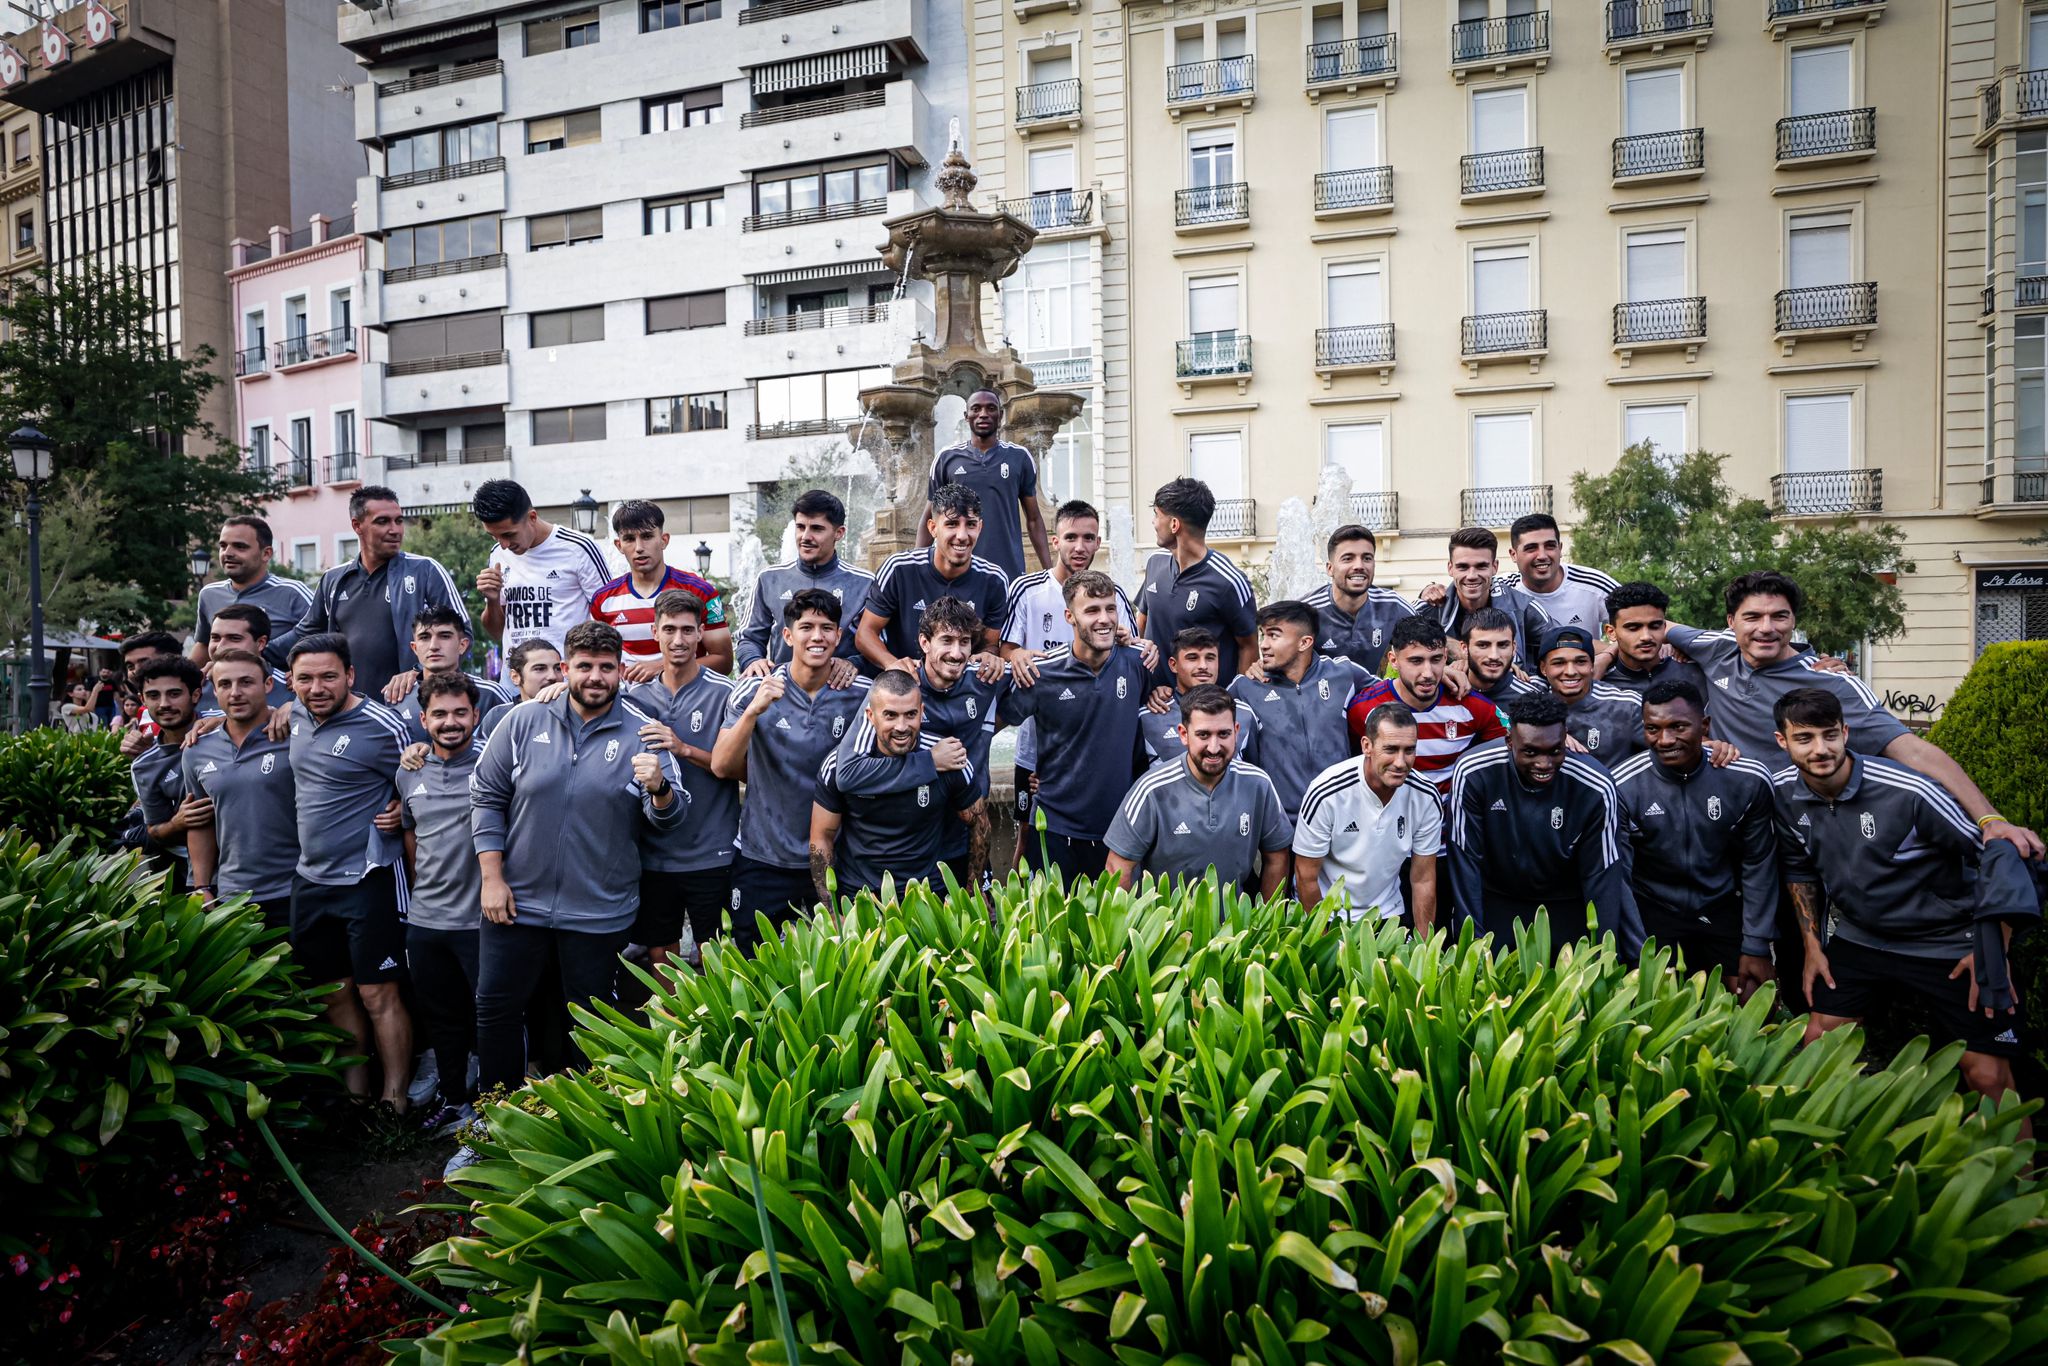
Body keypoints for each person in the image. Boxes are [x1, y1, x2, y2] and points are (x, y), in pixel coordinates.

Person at [1771, 687, 2025, 1121]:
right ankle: (1830, 1151)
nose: (1820, 749)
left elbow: (1999, 860)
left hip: (1945, 941)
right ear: (1782, 741)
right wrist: (1813, 946)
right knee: (1819, 1046)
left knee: (1986, 1076)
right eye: (1805, 738)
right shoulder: (1783, 793)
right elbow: (1799, 869)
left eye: (1830, 735)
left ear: (1846, 732)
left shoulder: (1909, 790)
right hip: (1860, 938)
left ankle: (2022, 1183)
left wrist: (1990, 951)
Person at [1668, 571, 2042, 860]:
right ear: (1731, 622)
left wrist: (1991, 819)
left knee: (1800, 944)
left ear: (1794, 620)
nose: (1766, 628)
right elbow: (1647, 627)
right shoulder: (1714, 648)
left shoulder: (1831, 682)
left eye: (1779, 616)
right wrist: (1609, 655)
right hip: (1725, 821)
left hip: (1798, 830)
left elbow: (1912, 750)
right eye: (1753, 617)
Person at [469, 621, 685, 1095]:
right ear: (565, 669)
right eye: (584, 666)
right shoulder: (523, 721)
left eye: (606, 667)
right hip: (515, 903)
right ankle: (492, 1123)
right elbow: (486, 796)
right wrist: (492, 877)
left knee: (589, 1019)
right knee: (497, 1008)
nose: (594, 677)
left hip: (597, 910)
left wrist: (660, 789)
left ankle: (586, 1127)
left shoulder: (642, 734)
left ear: (620, 672)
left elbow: (670, 819)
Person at [283, 633, 414, 1110]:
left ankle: (394, 1100)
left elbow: (426, 773)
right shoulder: (293, 715)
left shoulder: (383, 725)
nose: (317, 687)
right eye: (306, 678)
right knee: (334, 993)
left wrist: (404, 809)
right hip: (310, 879)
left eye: (328, 676)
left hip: (368, 878)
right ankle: (354, 1100)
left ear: (351, 676)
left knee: (378, 993)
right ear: (292, 682)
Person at [712, 589, 873, 942]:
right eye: (807, 627)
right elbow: (722, 766)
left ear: (839, 636)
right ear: (787, 635)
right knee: (753, 968)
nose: (818, 636)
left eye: (827, 628)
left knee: (840, 969)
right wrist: (754, 710)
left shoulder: (862, 693)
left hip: (834, 858)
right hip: (763, 857)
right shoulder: (753, 690)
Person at [1611, 681, 1778, 997]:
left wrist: (1756, 942)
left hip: (1720, 902)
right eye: (1653, 729)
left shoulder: (1747, 778)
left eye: (1678, 727)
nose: (1665, 739)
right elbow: (1619, 875)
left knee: (1753, 995)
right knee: (1654, 1001)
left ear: (1704, 726)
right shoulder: (1622, 785)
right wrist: (1635, 951)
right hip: (1655, 906)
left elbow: (1759, 862)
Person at [1446, 692, 1643, 956]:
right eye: (1530, 752)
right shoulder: (1472, 771)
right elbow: (1465, 862)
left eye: (1554, 751)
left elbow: (1602, 876)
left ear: (1565, 739)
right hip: (1499, 898)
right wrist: (1473, 947)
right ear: (1508, 741)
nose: (1543, 763)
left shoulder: (1595, 784)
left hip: (1565, 902)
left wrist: (1604, 955)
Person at [1001, 498, 1139, 845]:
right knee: (1027, 835)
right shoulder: (1027, 589)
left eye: (1089, 538)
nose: (1080, 546)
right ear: (1055, 541)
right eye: (1072, 537)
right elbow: (1006, 650)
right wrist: (1017, 656)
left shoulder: (1115, 594)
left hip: (1093, 731)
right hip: (1038, 738)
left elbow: (1134, 654)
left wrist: (1136, 641)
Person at [997, 570, 1150, 880]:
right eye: (1092, 610)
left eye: (1110, 608)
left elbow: (1169, 703)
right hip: (1055, 828)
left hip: (1118, 830)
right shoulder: (1041, 672)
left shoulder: (1139, 662)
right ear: (1069, 616)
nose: (1104, 618)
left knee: (1112, 928)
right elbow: (998, 718)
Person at [626, 591, 740, 967]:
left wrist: (683, 748)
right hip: (655, 855)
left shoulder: (725, 694)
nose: (678, 640)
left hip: (712, 849)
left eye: (688, 630)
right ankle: (670, 1028)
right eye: (670, 629)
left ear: (700, 634)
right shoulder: (635, 697)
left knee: (714, 956)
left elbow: (746, 771)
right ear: (655, 632)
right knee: (661, 957)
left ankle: (713, 1028)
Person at [394, 671, 485, 1120]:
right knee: (443, 1020)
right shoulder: (409, 770)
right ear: (423, 719)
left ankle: (497, 1108)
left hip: (483, 921)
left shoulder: (496, 763)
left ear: (476, 715)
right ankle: (454, 1102)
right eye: (440, 714)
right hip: (427, 921)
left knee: (491, 1020)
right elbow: (412, 839)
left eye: (460, 713)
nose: (451, 722)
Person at [810, 670, 985, 901]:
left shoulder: (949, 758)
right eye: (890, 715)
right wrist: (832, 909)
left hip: (927, 894)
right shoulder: (840, 765)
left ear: (922, 713)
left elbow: (980, 824)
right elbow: (822, 837)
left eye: (910, 714)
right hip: (860, 896)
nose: (901, 727)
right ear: (871, 716)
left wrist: (975, 892)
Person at [1104, 684, 1291, 896]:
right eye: (1203, 735)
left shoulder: (1259, 784)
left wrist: (1265, 923)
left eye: (1223, 734)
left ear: (1236, 732)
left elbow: (1277, 856)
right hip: (1168, 926)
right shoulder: (1151, 789)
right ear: (1183, 734)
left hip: (1237, 926)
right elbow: (1117, 868)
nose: (1214, 747)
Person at [294, 486, 471, 698]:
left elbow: (464, 635)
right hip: (350, 710)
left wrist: (417, 672)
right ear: (357, 525)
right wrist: (256, 650)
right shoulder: (333, 579)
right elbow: (304, 634)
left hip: (409, 705)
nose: (395, 529)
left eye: (398, 520)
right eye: (383, 521)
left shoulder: (425, 570)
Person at [1293, 702, 1443, 931]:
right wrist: (1321, 945)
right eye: (1391, 750)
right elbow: (1305, 875)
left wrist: (1425, 950)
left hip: (1388, 913)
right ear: (1367, 746)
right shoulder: (1327, 792)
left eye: (1409, 750)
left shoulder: (1425, 796)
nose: (1401, 762)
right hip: (1330, 912)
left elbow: (1423, 880)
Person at [889, 597, 1007, 888]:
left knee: (976, 923)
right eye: (947, 641)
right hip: (910, 837)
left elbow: (1043, 675)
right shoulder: (901, 687)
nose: (956, 653)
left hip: (967, 833)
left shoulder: (983, 679)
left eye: (965, 642)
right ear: (925, 642)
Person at [182, 649, 298, 929]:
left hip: (296, 890)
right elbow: (200, 821)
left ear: (268, 685)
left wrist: (296, 707)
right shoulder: (196, 749)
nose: (235, 692)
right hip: (231, 896)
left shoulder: (297, 736)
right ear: (214, 689)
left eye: (246, 682)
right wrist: (201, 885)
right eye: (225, 684)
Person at [1230, 600, 1369, 817]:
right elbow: (1201, 711)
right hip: (1280, 822)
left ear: (1304, 642)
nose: (1263, 645)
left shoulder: (1344, 673)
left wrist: (1441, 675)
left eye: (1274, 635)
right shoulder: (1246, 686)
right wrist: (1163, 693)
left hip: (1343, 817)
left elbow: (1394, 692)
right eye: (1263, 635)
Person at [1346, 616, 1507, 795]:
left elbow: (1512, 750)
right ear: (1393, 660)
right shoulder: (1364, 709)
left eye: (1436, 659)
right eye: (1416, 661)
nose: (1428, 673)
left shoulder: (1472, 705)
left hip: (1448, 819)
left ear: (1446, 656)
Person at [859, 483, 1010, 672]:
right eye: (951, 524)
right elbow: (865, 633)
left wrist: (988, 655)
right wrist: (893, 665)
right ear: (932, 527)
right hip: (903, 684)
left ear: (980, 527)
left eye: (970, 524)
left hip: (960, 683)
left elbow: (990, 643)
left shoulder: (994, 580)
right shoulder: (899, 569)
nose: (962, 536)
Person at [589, 498, 734, 681]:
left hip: (686, 700)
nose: (639, 548)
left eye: (647, 536)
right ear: (619, 545)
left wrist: (663, 668)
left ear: (664, 540)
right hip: (627, 703)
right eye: (629, 539)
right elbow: (596, 659)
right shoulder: (602, 600)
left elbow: (724, 661)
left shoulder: (700, 591)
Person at [734, 489, 874, 676]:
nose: (805, 537)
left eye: (816, 528)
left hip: (844, 692)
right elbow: (748, 638)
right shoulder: (769, 579)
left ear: (839, 533)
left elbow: (882, 642)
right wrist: (753, 661)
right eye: (800, 527)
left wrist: (854, 663)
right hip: (782, 694)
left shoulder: (865, 583)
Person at [917, 388, 1051, 581]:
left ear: (1001, 415)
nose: (983, 414)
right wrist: (915, 567)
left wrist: (1049, 571)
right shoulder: (946, 459)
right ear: (966, 416)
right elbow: (930, 516)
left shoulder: (1019, 457)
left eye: (990, 408)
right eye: (976, 409)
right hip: (957, 572)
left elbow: (1034, 519)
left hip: (1008, 571)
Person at [1136, 477, 1258, 684]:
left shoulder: (1229, 581)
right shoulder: (1155, 563)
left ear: (1174, 524)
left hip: (1206, 708)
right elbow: (1142, 623)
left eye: (1157, 515)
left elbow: (1249, 645)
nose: (1153, 523)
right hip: (1156, 704)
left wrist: (1236, 700)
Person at [472, 478, 612, 653]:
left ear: (532, 517)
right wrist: (492, 601)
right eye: (494, 536)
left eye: (509, 534)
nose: (504, 544)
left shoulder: (578, 548)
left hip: (564, 676)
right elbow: (496, 633)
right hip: (514, 677)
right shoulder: (497, 554)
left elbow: (611, 617)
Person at [1507, 624, 1648, 768]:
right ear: (1543, 668)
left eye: (1580, 662)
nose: (1570, 671)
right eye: (1559, 663)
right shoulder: (1527, 694)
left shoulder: (1626, 706)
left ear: (1592, 665)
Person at [191, 516, 313, 671]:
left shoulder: (293, 592)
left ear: (266, 554)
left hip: (281, 692)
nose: (227, 553)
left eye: (240, 546)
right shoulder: (209, 594)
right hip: (227, 691)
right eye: (223, 546)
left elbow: (325, 637)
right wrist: (183, 678)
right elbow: (204, 645)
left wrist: (303, 671)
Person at [1424, 527, 1550, 669]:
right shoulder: (1431, 606)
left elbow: (1561, 651)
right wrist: (1446, 643)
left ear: (1495, 567)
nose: (1471, 576)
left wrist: (1526, 682)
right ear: (1450, 568)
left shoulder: (1524, 607)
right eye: (1463, 567)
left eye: (1481, 566)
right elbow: (1400, 639)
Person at [386, 606, 517, 740]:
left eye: (444, 636)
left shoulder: (491, 695)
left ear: (462, 645)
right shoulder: (397, 695)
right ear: (414, 648)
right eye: (425, 637)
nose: (433, 646)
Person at [131, 657, 206, 887]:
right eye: (153, 696)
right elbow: (155, 830)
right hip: (187, 875)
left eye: (174, 694)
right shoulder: (143, 766)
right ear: (142, 700)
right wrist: (178, 823)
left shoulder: (225, 734)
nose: (164, 703)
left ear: (195, 695)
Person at [1304, 525, 1415, 675]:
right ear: (1330, 568)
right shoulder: (1307, 611)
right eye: (1348, 558)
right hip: (1321, 696)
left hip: (1372, 695)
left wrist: (1447, 668)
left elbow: (1428, 644)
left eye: (1367, 558)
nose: (1359, 566)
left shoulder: (1393, 605)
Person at [1140, 627, 1258, 766]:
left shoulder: (1244, 713)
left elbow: (1252, 771)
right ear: (1173, 665)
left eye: (1210, 658)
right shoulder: (1148, 716)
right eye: (1193, 658)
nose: (1203, 666)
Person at [1495, 513, 1620, 633]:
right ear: (1513, 554)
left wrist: (1608, 653)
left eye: (1550, 546)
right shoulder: (1500, 590)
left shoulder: (1594, 584)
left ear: (1560, 549)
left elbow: (1637, 621)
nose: (1542, 556)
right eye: (1531, 548)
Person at [1596, 581, 1710, 701]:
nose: (1646, 636)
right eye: (1633, 628)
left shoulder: (1696, 672)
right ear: (1611, 632)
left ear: (1664, 627)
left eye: (1655, 626)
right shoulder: (1598, 683)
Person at [196, 605, 294, 712]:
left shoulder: (290, 690)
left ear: (261, 643)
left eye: (234, 638)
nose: (220, 646)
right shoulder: (194, 687)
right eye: (215, 638)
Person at [476, 638, 564, 744]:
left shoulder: (575, 712)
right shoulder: (498, 717)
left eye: (558, 669)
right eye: (540, 669)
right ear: (515, 677)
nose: (552, 676)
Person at [115, 630, 184, 757]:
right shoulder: (143, 710)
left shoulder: (209, 702)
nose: (136, 671)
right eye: (130, 666)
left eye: (145, 662)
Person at [1459, 608, 1524, 710]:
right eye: (1483, 645)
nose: (1494, 656)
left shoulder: (1528, 699)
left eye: (1502, 645)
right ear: (1464, 648)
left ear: (1514, 648)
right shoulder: (1442, 690)